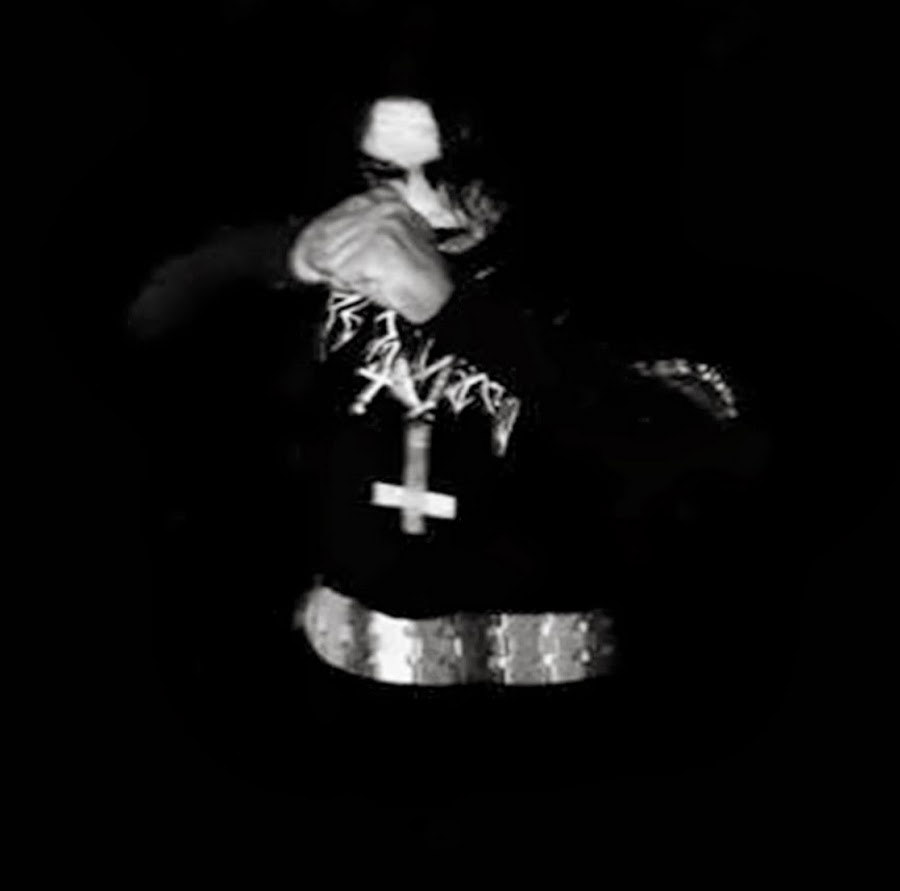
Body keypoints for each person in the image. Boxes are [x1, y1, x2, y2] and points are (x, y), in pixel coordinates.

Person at [126, 88, 769, 794]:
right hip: (337, 706)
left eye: (455, 174)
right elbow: (149, 317)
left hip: (553, 725)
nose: (422, 205)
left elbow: (692, 451)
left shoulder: (613, 274)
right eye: (385, 173)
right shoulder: (346, 246)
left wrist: (452, 309)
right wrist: (292, 253)